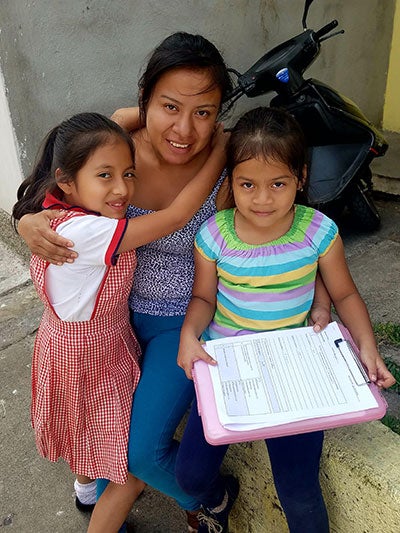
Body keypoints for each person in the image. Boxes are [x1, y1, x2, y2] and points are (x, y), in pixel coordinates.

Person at [16, 34, 332, 532]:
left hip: (180, 321)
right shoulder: (114, 145)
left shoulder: (229, 162)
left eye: (204, 112)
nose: (185, 128)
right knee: (101, 432)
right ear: (144, 101)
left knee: (140, 453)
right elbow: (57, 179)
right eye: (169, 106)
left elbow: (280, 231)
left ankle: (209, 495)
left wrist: (318, 290)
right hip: (112, 324)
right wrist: (28, 219)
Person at [176, 106, 396, 532]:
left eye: (278, 183)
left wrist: (366, 346)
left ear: (302, 177)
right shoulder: (215, 234)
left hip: (293, 373)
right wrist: (189, 334)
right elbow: (203, 296)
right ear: (231, 182)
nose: (262, 198)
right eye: (247, 184)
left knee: (297, 488)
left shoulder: (318, 231)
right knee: (191, 476)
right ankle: (218, 500)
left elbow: (346, 291)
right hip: (228, 369)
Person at [12, 110, 228, 533]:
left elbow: (115, 123)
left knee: (80, 430)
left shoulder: (56, 212)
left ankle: (85, 492)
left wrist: (152, 114)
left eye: (129, 174)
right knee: (126, 473)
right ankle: (190, 500)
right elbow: (177, 216)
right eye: (105, 176)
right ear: (67, 180)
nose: (122, 188)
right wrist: (219, 146)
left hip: (64, 349)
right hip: (96, 358)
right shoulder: (88, 233)